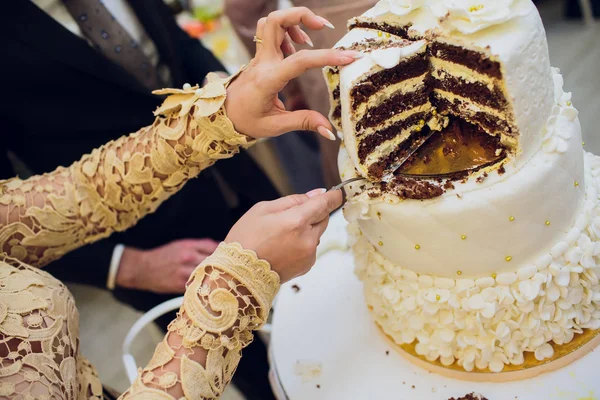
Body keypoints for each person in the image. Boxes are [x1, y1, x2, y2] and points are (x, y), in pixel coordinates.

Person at [0, 6, 360, 399]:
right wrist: (236, 284)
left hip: (228, 183)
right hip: (156, 242)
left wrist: (223, 114)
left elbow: (39, 205)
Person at [225, 0, 378, 189]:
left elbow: (242, 9)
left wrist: (290, 87)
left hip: (336, 38)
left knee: (364, 167)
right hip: (417, 20)